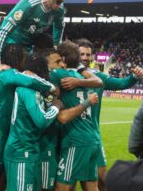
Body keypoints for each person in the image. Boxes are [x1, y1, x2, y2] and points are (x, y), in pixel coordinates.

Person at [63, 38, 143, 191]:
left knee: (102, 177)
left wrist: (134, 77)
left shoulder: (97, 76)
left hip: (93, 136)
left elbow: (121, 84)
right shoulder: (62, 74)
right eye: (82, 54)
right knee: (69, 183)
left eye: (88, 55)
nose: (85, 58)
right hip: (70, 136)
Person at [0, 44, 57, 191]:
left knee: (1, 180)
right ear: (17, 60)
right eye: (24, 58)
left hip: (1, 133)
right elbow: (30, 80)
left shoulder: (2, 71)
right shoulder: (8, 74)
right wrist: (51, 87)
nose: (25, 63)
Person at [49, 41, 102, 191]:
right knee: (91, 187)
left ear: (64, 59)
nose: (58, 63)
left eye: (59, 59)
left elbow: (63, 118)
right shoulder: (84, 78)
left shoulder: (59, 74)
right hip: (93, 140)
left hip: (76, 141)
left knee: (62, 188)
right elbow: (98, 81)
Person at [0, 0, 69, 68]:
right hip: (11, 46)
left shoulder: (59, 9)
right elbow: (3, 30)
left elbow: (59, 27)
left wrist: (56, 46)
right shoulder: (29, 5)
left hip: (29, 47)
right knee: (9, 78)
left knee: (46, 39)